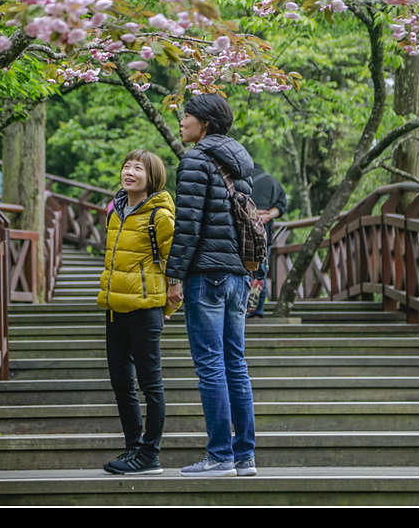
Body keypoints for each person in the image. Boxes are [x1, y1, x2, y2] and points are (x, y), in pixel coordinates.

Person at [165, 94, 258, 478]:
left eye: (187, 116)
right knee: (235, 364)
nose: (182, 122)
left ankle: (220, 455)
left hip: (206, 274)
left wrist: (174, 276)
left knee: (210, 365)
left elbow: (187, 226)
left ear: (204, 124)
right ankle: (244, 456)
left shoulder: (195, 160)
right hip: (238, 275)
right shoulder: (240, 163)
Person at [98, 149, 176, 475]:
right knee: (121, 383)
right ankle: (133, 449)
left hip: (146, 308)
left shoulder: (159, 214)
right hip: (115, 307)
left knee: (150, 384)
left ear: (152, 177)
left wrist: (170, 306)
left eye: (138, 168)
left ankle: (150, 455)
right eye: (126, 166)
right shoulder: (116, 210)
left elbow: (176, 263)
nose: (129, 172)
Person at [247, 162, 287, 318]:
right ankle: (256, 312)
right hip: (264, 234)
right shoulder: (272, 181)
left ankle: (240, 310)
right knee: (260, 273)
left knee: (241, 273)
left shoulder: (241, 181)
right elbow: (281, 206)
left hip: (241, 232)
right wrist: (268, 215)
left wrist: (253, 213)